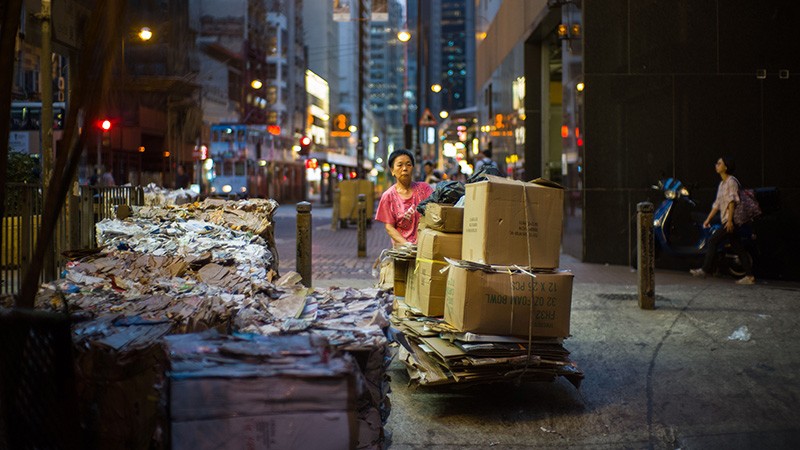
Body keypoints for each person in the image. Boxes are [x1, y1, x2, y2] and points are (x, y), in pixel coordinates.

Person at [690, 156, 755, 284]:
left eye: (719, 163)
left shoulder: (731, 182)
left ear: (726, 167)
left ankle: (704, 270)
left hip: (732, 221)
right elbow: (717, 204)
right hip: (728, 220)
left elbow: (732, 202)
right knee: (738, 247)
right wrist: (708, 219)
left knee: (713, 241)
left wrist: (730, 221)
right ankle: (750, 276)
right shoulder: (722, 184)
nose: (716, 165)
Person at [375, 149, 434, 247]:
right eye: (399, 165)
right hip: (403, 250)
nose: (405, 168)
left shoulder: (425, 189)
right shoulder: (388, 196)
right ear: (392, 170)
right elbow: (389, 227)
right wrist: (406, 244)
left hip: (426, 247)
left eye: (408, 164)